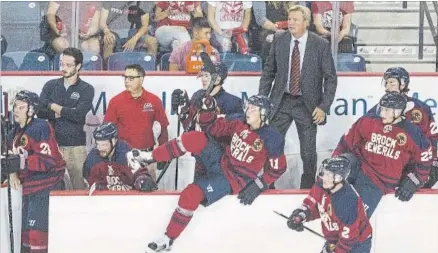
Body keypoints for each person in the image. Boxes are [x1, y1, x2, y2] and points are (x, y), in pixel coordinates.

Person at [127, 95, 287, 252]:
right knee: (193, 138)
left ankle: (168, 239)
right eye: (249, 106)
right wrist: (208, 109)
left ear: (264, 114)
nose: (248, 111)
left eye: (253, 108)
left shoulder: (272, 138)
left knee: (190, 194)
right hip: (221, 161)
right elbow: (210, 127)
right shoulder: (239, 120)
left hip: (231, 180)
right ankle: (149, 157)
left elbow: (278, 168)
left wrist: (258, 185)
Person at [259, 5, 337, 189]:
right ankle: (268, 184)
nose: (291, 23)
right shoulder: (279, 40)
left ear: (306, 23)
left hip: (307, 105)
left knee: (308, 151)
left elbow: (331, 79)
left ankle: (308, 188)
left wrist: (324, 106)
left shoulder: (320, 44)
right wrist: (263, 100)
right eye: (289, 19)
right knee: (272, 146)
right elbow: (269, 72)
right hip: (281, 101)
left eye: (295, 20)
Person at [332, 92, 433, 218]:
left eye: (386, 110)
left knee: (355, 218)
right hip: (359, 167)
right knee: (337, 169)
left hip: (379, 181)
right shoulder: (369, 120)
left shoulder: (412, 132)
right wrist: (334, 161)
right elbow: (346, 141)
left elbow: (426, 159)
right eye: (382, 109)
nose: (382, 113)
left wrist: (415, 179)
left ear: (397, 112)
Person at [2, 90, 66, 253]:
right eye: (15, 106)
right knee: (24, 234)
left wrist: (20, 163)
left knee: (36, 233)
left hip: (46, 186)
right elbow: (8, 159)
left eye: (21, 107)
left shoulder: (40, 127)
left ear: (31, 110)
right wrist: (12, 172)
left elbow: (49, 161)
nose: (15, 110)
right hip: (28, 188)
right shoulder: (13, 133)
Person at [367, 67, 438, 189]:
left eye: (392, 82)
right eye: (386, 83)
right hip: (388, 163)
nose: (387, 86)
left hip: (414, 164)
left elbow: (431, 137)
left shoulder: (421, 109)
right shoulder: (377, 110)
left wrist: (433, 163)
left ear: (403, 84)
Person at [171, 59, 243, 180]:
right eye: (202, 75)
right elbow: (190, 128)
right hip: (200, 158)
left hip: (222, 160)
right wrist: (183, 114)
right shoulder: (197, 96)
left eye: (207, 75)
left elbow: (239, 134)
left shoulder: (233, 102)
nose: (203, 79)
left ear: (218, 79)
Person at [287, 156, 372, 253]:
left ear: (338, 177)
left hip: (357, 245)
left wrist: (335, 251)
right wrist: (301, 215)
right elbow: (314, 205)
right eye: (324, 173)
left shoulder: (347, 202)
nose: (323, 177)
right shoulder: (322, 185)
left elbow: (349, 239)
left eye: (328, 175)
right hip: (336, 239)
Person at [38, 47, 95, 190]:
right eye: (62, 64)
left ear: (79, 66)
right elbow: (39, 111)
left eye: (68, 65)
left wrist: (52, 105)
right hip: (53, 145)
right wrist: (63, 111)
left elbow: (77, 115)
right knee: (53, 187)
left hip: (76, 146)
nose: (63, 68)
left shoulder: (86, 89)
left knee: (79, 187)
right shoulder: (51, 85)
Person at [104, 64, 169, 151]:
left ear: (141, 79)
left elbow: (163, 129)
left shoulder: (154, 100)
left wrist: (163, 154)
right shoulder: (115, 101)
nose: (126, 81)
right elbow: (107, 129)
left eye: (131, 78)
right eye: (125, 77)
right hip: (122, 155)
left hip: (147, 154)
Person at [83, 122, 157, 192]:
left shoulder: (126, 154)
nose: (100, 148)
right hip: (105, 200)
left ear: (114, 141)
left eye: (104, 145)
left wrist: (142, 180)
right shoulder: (93, 157)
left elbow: (141, 173)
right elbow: (88, 179)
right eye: (98, 144)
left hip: (127, 200)